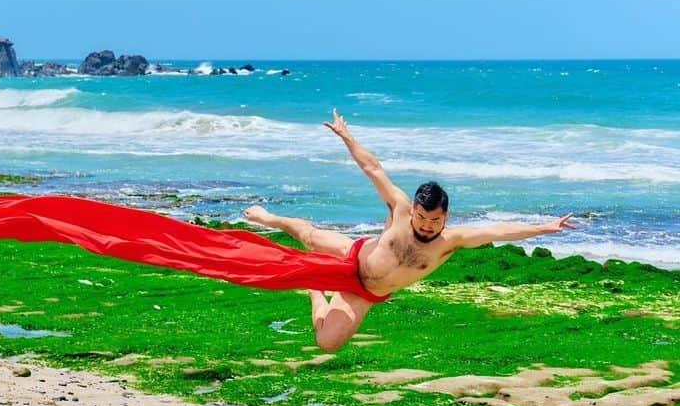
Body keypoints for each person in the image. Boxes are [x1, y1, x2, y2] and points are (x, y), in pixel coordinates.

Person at [244, 110, 576, 352]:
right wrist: (347, 137)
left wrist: (544, 227)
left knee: (326, 343)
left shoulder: (450, 242)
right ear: (414, 211)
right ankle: (269, 217)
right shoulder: (400, 208)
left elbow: (497, 231)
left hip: (366, 293)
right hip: (353, 255)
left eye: (435, 221)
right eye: (422, 218)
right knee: (307, 235)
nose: (427, 226)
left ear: (445, 217)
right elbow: (373, 168)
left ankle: (314, 289)